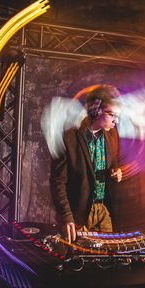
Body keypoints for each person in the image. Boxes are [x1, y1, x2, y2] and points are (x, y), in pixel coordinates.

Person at [50, 84, 122, 243]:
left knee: (107, 263)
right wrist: (66, 217)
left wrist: (116, 172)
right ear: (96, 110)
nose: (116, 120)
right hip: (77, 216)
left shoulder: (112, 136)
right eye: (112, 114)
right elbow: (58, 182)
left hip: (103, 212)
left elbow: (113, 163)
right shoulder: (69, 137)